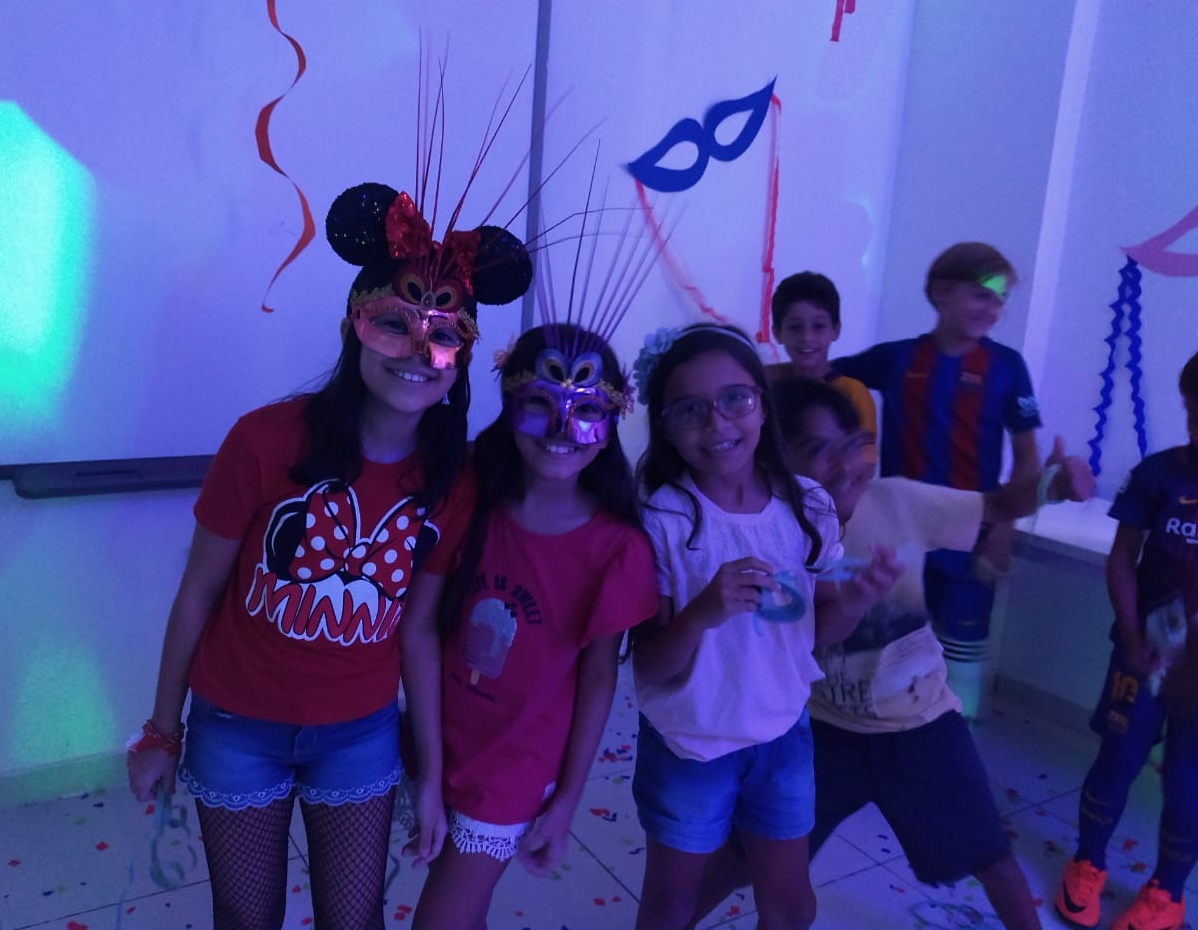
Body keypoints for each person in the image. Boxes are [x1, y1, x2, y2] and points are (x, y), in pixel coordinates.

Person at [126, 180, 531, 930]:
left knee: (355, 920)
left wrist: (431, 777)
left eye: (444, 334)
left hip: (358, 733)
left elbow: (418, 631)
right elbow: (198, 593)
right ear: (353, 329)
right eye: (394, 323)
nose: (419, 352)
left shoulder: (453, 478)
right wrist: (161, 730)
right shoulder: (264, 439)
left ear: (463, 357)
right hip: (236, 726)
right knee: (246, 919)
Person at [686, 377, 1093, 930]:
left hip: (921, 725)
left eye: (853, 444)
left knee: (990, 855)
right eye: (818, 449)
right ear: (777, 459)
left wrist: (1054, 484)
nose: (845, 464)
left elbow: (998, 504)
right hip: (818, 733)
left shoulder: (896, 501)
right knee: (745, 855)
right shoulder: (772, 530)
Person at [629, 323, 901, 930]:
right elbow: (650, 664)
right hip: (690, 743)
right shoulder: (661, 520)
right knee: (670, 906)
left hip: (782, 733)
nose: (717, 423)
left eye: (735, 399)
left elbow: (819, 632)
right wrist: (702, 612)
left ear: (761, 403)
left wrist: (857, 600)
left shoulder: (808, 505)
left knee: (792, 905)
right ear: (665, 425)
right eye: (690, 409)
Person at [409, 322, 657, 928]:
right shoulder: (470, 496)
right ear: (509, 400)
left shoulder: (617, 549)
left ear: (612, 420)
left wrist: (567, 799)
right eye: (541, 403)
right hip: (430, 737)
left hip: (512, 768)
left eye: (587, 409)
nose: (561, 428)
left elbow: (598, 679)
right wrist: (429, 771)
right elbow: (421, 628)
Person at [833, 242, 1042, 719]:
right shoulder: (897, 358)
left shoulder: (1007, 367)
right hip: (899, 540)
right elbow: (820, 375)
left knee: (962, 660)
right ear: (941, 292)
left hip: (972, 536)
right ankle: (883, 736)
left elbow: (1028, 460)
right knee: (891, 654)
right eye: (982, 294)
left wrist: (1003, 533)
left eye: (1000, 299)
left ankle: (955, 739)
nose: (993, 308)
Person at [1055, 350, 1198, 930]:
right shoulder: (1157, 474)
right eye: (1195, 412)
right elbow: (1122, 559)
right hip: (1140, 653)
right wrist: (1136, 636)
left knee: (1187, 779)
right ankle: (1087, 864)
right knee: (1117, 758)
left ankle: (1168, 892)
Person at [765, 270, 877, 451]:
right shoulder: (766, 382)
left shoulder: (853, 393)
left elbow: (862, 462)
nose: (806, 337)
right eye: (795, 327)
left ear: (836, 330)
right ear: (777, 332)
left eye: (818, 326)